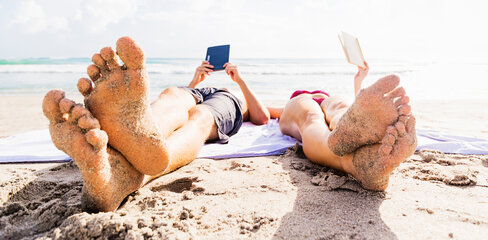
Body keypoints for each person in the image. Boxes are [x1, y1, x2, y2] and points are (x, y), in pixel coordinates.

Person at [42, 36, 270, 212]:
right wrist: (196, 80)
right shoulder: (197, 83)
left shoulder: (237, 94)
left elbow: (263, 117)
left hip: (224, 97)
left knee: (200, 115)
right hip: (195, 91)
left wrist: (239, 80)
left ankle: (122, 171)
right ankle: (135, 135)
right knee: (172, 95)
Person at [269, 61, 417, 190]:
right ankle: (359, 160)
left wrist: (359, 80)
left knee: (324, 115)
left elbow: (361, 108)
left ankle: (354, 160)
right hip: (317, 101)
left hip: (315, 102)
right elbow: (265, 113)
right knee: (328, 111)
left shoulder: (304, 100)